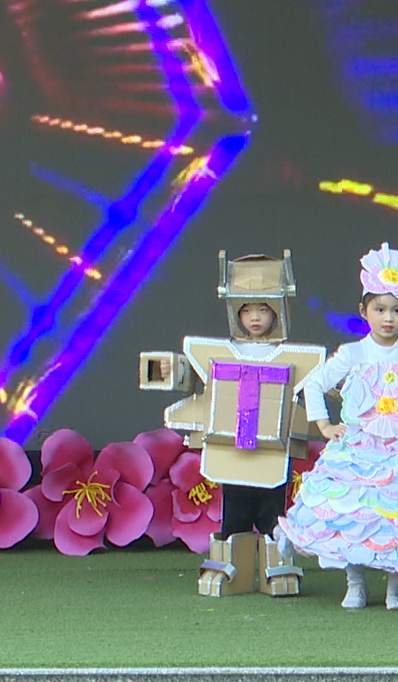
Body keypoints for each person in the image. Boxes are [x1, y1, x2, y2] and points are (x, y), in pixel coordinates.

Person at [139, 251, 326, 596]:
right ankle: (230, 570)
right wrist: (174, 373)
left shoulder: (295, 357)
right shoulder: (218, 352)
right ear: (235, 312)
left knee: (272, 514)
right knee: (235, 513)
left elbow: (317, 385)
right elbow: (194, 378)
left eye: (263, 309)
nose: (255, 317)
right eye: (247, 309)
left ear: (278, 311)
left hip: (273, 454)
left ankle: (276, 570)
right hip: (230, 451)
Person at [278, 243, 398, 611]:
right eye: (380, 309)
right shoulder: (352, 353)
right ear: (363, 311)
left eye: (397, 310)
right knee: (353, 515)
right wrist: (325, 425)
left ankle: (397, 588)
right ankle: (355, 584)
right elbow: (313, 384)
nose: (388, 318)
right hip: (355, 450)